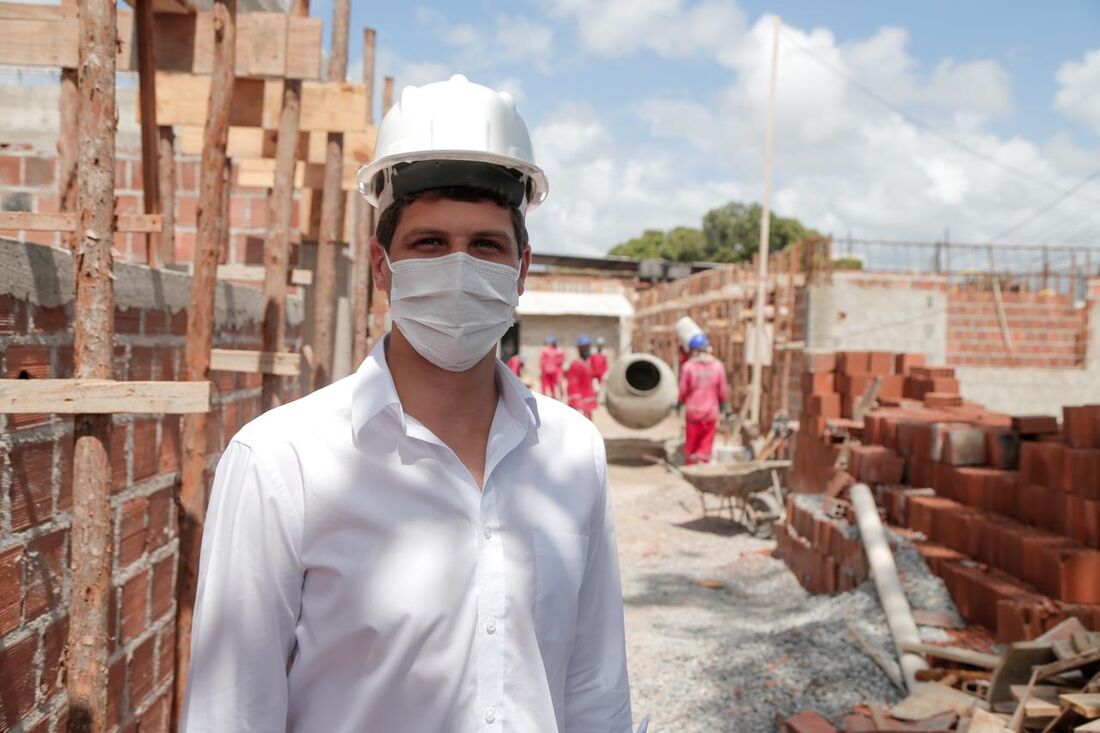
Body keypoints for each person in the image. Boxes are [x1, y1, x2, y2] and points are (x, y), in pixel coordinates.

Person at [181, 74, 632, 733]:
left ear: (521, 269)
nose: (459, 267)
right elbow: (233, 712)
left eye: (485, 245)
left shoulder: (571, 452)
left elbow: (595, 685)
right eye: (428, 243)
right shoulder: (284, 462)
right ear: (380, 265)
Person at [677, 332, 728, 465]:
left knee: (692, 446)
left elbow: (683, 390)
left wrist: (679, 403)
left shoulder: (688, 367)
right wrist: (723, 405)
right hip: (711, 413)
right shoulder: (718, 367)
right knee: (705, 448)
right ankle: (702, 469)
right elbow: (722, 391)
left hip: (693, 413)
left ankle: (691, 469)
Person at [566, 335, 598, 419]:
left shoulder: (589, 363)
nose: (586, 350)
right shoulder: (575, 365)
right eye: (583, 347)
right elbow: (572, 385)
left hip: (588, 404)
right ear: (579, 349)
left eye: (587, 347)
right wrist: (576, 403)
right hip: (580, 405)